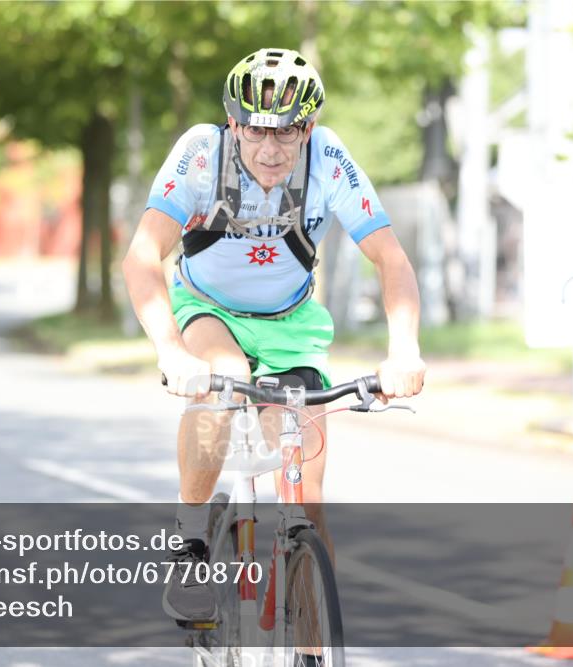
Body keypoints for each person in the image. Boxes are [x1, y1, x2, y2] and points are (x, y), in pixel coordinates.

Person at [122, 48, 426, 624]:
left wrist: (403, 348)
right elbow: (141, 255)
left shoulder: (328, 159)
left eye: (287, 134)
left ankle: (312, 644)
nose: (269, 149)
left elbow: (390, 259)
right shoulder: (200, 154)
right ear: (233, 122)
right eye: (255, 130)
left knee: (307, 500)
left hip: (291, 324)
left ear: (307, 128)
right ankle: (190, 543)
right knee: (225, 381)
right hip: (209, 309)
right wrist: (169, 350)